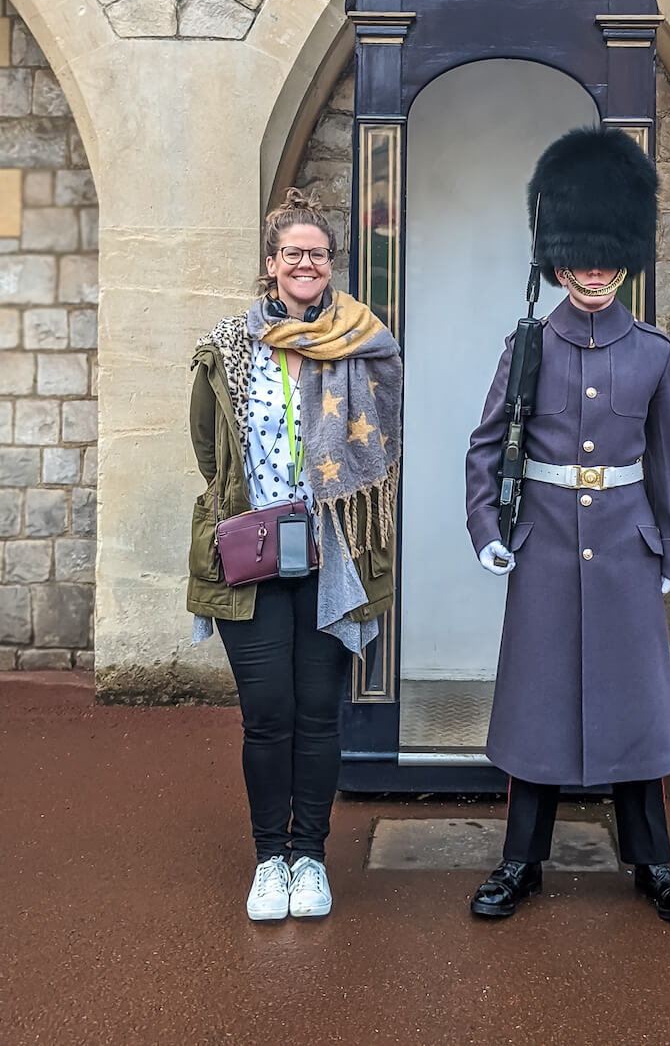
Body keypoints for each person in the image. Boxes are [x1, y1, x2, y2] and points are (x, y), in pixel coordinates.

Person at [465, 128, 670, 924]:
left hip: (627, 551)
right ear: (558, 258)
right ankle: (518, 862)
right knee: (536, 707)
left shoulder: (653, 353)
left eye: (607, 258)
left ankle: (654, 863)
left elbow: (669, 459)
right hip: (546, 550)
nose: (594, 272)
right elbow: (487, 444)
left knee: (636, 708)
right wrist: (485, 526)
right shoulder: (527, 346)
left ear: (624, 257)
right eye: (581, 258)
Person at [187, 188, 401, 922]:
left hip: (332, 544)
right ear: (270, 265)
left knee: (318, 711)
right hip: (253, 549)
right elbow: (209, 448)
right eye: (292, 253)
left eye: (317, 253)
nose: (305, 263)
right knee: (266, 713)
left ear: (330, 264)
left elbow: (388, 437)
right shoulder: (227, 346)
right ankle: (267, 859)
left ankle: (309, 855)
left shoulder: (362, 340)